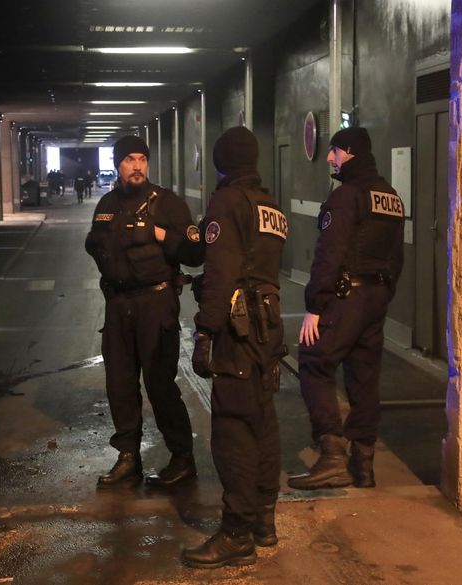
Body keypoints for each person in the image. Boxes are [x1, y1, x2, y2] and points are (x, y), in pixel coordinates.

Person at [182, 127, 288, 568]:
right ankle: (263, 521)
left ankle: (236, 534)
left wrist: (204, 332)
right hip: (269, 331)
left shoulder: (227, 203)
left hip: (238, 333)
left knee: (232, 434)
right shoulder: (271, 205)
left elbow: (222, 272)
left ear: (221, 163)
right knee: (262, 424)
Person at [287, 127, 404, 491]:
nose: (329, 158)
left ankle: (332, 454)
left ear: (349, 152)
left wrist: (315, 305)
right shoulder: (391, 197)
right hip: (376, 298)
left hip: (345, 296)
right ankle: (363, 466)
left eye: (334, 151)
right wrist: (383, 295)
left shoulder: (346, 197)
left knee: (314, 362)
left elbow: (330, 254)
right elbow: (397, 256)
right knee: (363, 376)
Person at [85, 135, 204, 489]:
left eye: (141, 159)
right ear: (117, 164)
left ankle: (182, 457)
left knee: (159, 384)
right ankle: (128, 459)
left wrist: (158, 232)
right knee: (119, 383)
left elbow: (195, 253)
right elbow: (97, 244)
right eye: (129, 160)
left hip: (156, 303)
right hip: (119, 305)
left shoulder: (167, 203)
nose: (137, 165)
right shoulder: (106, 203)